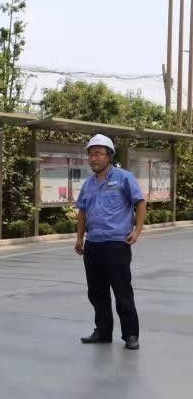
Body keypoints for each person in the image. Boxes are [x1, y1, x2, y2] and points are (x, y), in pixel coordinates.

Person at [75, 134, 145, 350]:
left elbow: (140, 202)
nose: (93, 158)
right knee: (97, 293)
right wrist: (79, 238)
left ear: (109, 156)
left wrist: (137, 230)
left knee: (122, 291)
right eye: (90, 154)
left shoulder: (124, 178)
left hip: (117, 244)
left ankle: (131, 334)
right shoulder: (88, 184)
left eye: (98, 153)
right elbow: (82, 211)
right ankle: (103, 332)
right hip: (93, 245)